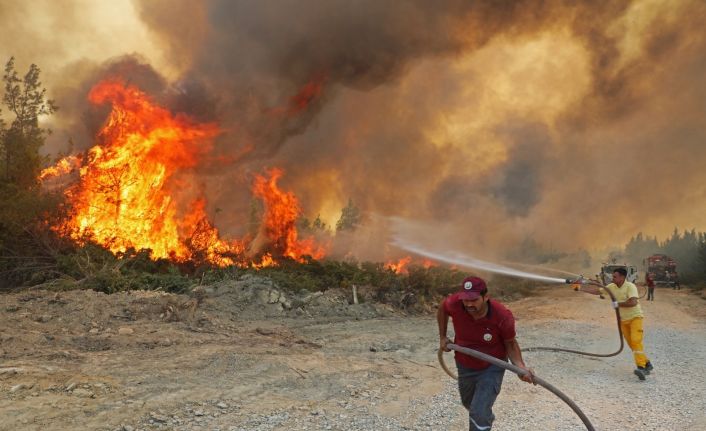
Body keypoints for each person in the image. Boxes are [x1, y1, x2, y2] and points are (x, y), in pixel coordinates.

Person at [437, 276, 535, 431]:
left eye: (474, 300)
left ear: (486, 297)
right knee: (469, 403)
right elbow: (443, 308)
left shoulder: (502, 316)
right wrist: (442, 336)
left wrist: (520, 367)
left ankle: (482, 419)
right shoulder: (455, 303)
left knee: (478, 411)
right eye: (465, 300)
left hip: (491, 366)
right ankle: (484, 418)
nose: (469, 304)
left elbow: (510, 344)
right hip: (464, 363)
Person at [577, 268, 654, 380]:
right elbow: (598, 291)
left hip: (635, 318)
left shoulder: (630, 286)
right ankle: (647, 364)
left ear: (622, 277)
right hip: (623, 320)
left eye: (615, 276)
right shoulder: (612, 287)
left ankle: (641, 368)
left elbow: (633, 302)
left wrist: (618, 304)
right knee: (632, 345)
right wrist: (580, 288)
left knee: (636, 341)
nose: (612, 278)